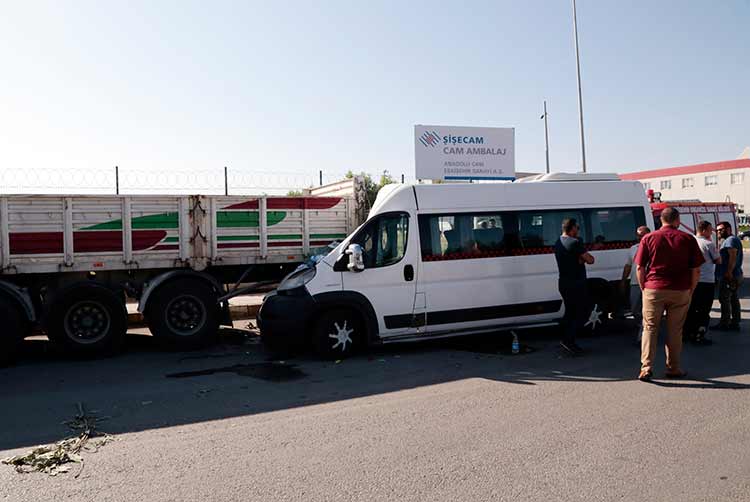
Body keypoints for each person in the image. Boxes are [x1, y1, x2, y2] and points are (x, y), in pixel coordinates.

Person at [635, 207, 703, 382]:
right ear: (677, 220)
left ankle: (646, 368)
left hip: (653, 288)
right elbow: (696, 269)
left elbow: (640, 267)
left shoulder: (649, 238)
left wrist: (644, 288)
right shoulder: (688, 238)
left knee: (650, 328)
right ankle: (673, 368)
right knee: (675, 330)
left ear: (661, 220)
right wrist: (691, 288)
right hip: (680, 290)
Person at [554, 218, 595, 356]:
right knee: (581, 312)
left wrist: (580, 258)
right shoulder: (575, 242)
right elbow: (590, 260)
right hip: (576, 283)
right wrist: (581, 258)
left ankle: (565, 338)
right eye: (577, 227)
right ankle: (569, 341)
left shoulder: (558, 242)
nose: (578, 230)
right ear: (571, 228)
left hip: (564, 282)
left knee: (570, 312)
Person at [684, 220, 721, 345]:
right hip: (706, 281)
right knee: (704, 309)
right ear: (704, 230)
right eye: (710, 230)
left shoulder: (689, 242)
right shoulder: (708, 244)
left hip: (691, 280)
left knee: (691, 308)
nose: (712, 232)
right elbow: (718, 260)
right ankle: (699, 335)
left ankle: (687, 333)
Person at [622, 226, 651, 343]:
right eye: (638, 235)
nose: (639, 237)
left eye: (642, 235)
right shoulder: (633, 248)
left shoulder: (653, 247)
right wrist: (623, 280)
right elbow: (628, 266)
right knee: (634, 309)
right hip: (635, 282)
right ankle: (643, 325)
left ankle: (643, 336)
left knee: (647, 309)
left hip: (649, 283)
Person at [714, 221, 744, 331]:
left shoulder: (730, 240)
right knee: (733, 299)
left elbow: (732, 256)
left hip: (730, 275)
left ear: (728, 229)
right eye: (717, 230)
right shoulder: (730, 240)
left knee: (725, 299)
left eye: (721, 230)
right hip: (734, 274)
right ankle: (735, 322)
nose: (718, 232)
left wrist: (729, 272)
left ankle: (725, 323)